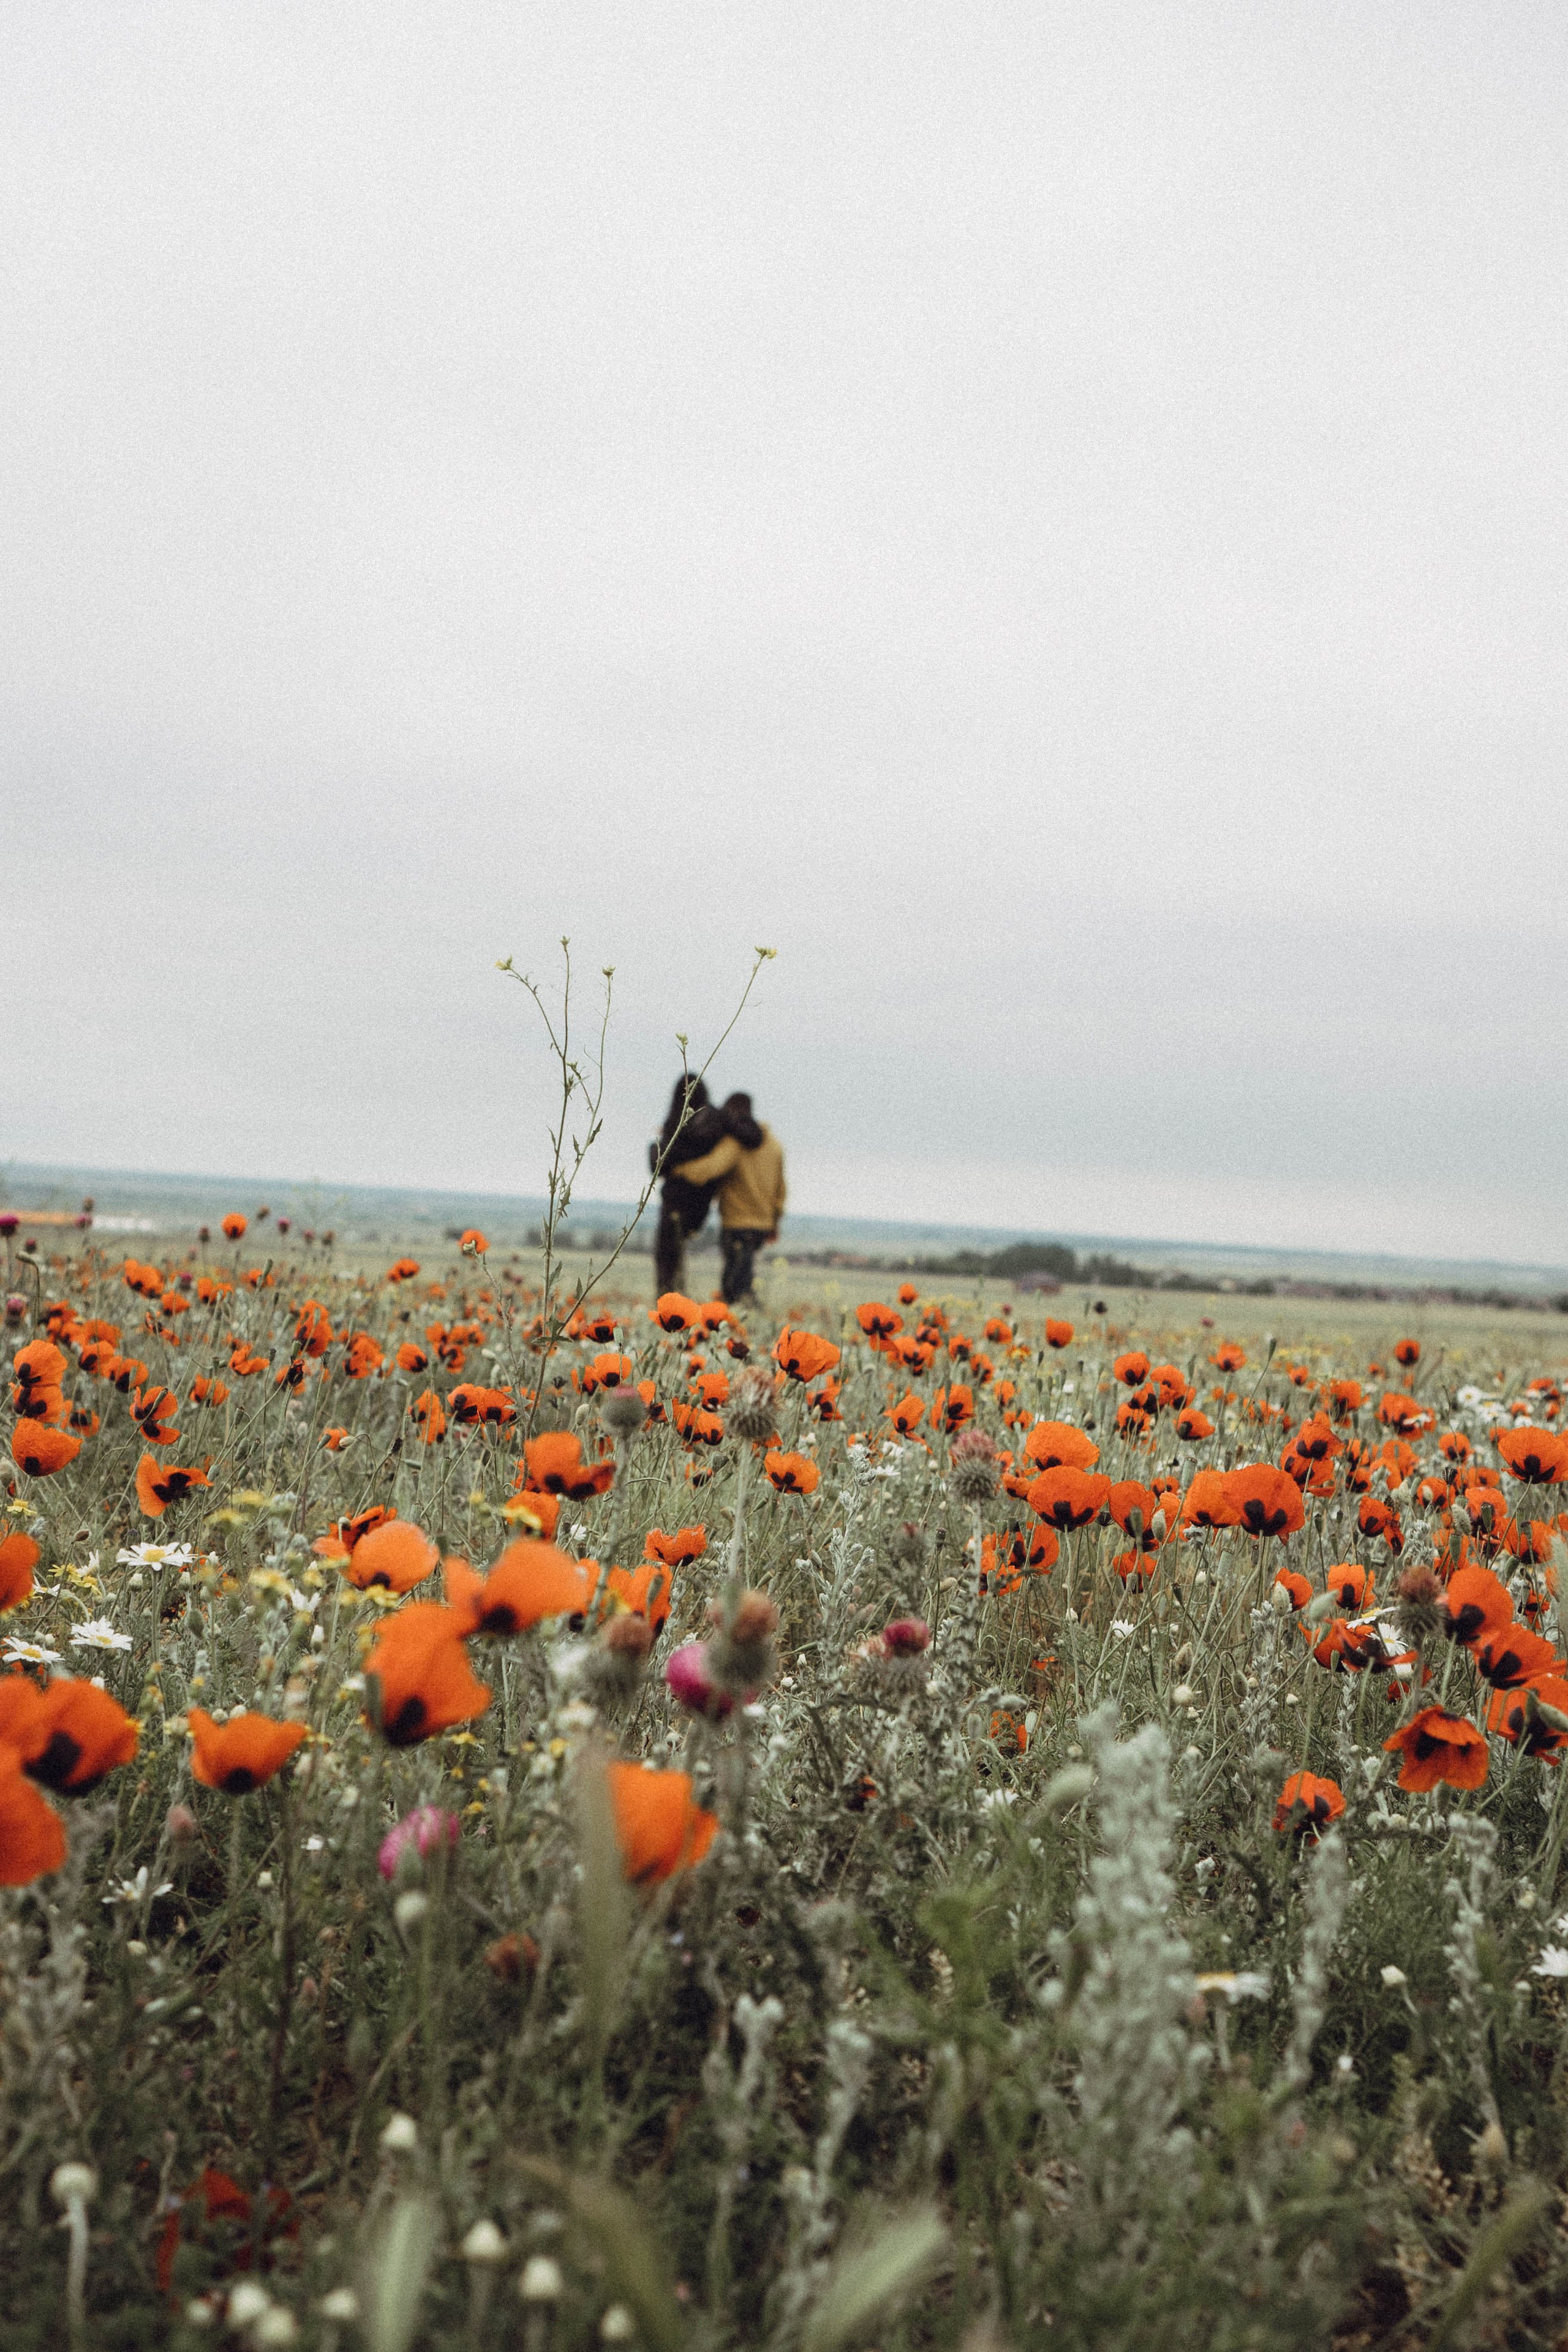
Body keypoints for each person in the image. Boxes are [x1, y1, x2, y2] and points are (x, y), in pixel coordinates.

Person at [672, 1092, 786, 1306]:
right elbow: (781, 1190)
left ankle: (738, 1326)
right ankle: (745, 1321)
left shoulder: (736, 1144)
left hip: (737, 1223)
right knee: (745, 1276)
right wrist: (775, 1222)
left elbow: (709, 1169)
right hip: (763, 1224)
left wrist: (676, 1169)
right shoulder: (775, 1146)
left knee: (733, 1287)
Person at [649, 1074, 727, 1295]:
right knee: (672, 1252)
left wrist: (664, 1156)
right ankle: (674, 1298)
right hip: (700, 1198)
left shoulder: (676, 1121)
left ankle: (669, 1299)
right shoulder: (716, 1119)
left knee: (667, 1255)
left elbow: (663, 1162)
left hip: (677, 1197)